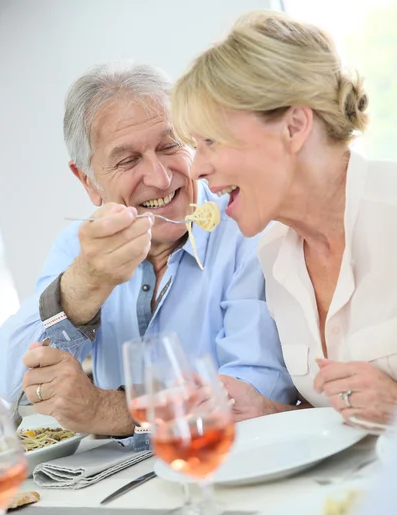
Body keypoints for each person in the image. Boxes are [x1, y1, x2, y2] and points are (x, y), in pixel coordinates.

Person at [0, 61, 296, 435]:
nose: (159, 178)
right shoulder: (77, 247)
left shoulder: (246, 229)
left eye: (170, 145)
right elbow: (5, 382)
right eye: (128, 160)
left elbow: (249, 396)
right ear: (87, 181)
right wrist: (82, 288)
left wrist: (112, 411)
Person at [170, 10, 397, 428]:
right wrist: (265, 411)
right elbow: (337, 414)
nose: (196, 169)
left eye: (210, 141)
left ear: (294, 126)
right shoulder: (274, 253)